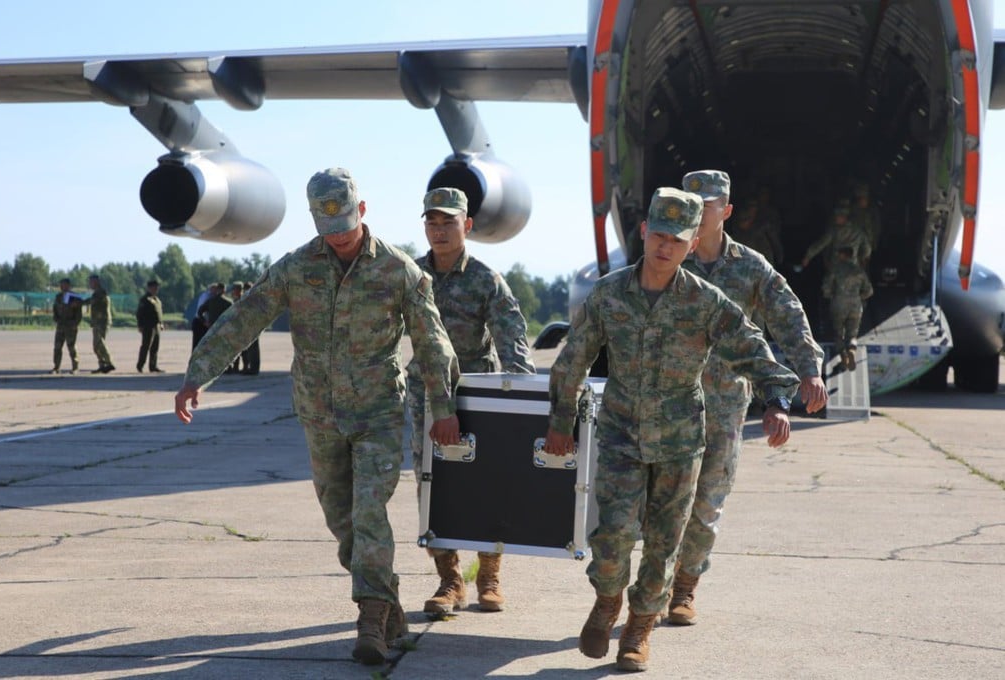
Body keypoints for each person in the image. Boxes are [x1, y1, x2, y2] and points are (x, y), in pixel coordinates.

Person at [173, 167, 461, 666]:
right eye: (329, 231)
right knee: (342, 521)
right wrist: (198, 374)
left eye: (346, 227)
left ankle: (370, 616)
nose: (340, 239)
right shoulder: (295, 267)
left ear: (362, 211)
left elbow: (433, 343)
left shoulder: (398, 271)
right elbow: (245, 318)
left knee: (370, 512)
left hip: (378, 415)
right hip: (320, 415)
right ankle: (386, 596)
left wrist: (443, 409)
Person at [543, 187, 800, 673]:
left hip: (682, 442)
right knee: (613, 535)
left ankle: (639, 629)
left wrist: (776, 399)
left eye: (678, 240)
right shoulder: (609, 294)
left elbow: (750, 345)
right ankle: (607, 600)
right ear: (644, 232)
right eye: (659, 235)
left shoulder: (706, 301)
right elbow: (572, 359)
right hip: (620, 433)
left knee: (664, 542)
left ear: (692, 241)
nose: (666, 247)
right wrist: (561, 422)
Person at [672, 169, 828, 626]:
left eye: (711, 204)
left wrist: (808, 370)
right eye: (693, 203)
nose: (702, 212)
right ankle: (655, 584)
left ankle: (684, 588)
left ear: (728, 210)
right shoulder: (666, 258)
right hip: (667, 400)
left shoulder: (750, 267)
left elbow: (787, 314)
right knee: (661, 502)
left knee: (706, 502)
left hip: (724, 403)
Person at [406, 187, 536, 616]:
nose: (439, 231)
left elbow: (512, 336)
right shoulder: (409, 275)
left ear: (468, 225)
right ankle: (449, 581)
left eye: (448, 222)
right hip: (425, 393)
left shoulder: (485, 279)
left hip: (477, 395)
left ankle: (490, 574)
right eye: (432, 222)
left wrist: (522, 399)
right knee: (432, 486)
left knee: (488, 485)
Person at [823, 246, 874, 370]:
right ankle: (852, 350)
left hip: (839, 303)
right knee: (852, 333)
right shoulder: (859, 271)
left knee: (838, 333)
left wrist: (830, 296)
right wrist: (858, 297)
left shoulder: (835, 269)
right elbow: (869, 291)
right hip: (855, 304)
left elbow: (826, 288)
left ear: (842, 255)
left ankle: (844, 358)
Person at [799, 197, 871, 272]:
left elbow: (821, 244)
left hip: (836, 267)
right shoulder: (858, 230)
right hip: (853, 266)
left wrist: (808, 256)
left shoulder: (834, 230)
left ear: (844, 217)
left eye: (838, 216)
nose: (835, 218)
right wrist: (862, 260)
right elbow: (867, 249)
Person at [85, 274, 116, 373]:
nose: (90, 284)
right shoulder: (96, 293)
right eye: (90, 282)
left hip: (102, 322)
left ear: (97, 282)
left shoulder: (101, 293)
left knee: (100, 342)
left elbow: (91, 301)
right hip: (97, 322)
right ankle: (102, 365)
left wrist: (79, 302)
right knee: (96, 345)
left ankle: (109, 363)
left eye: (91, 282)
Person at [51, 278, 83, 374]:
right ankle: (56, 367)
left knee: (71, 347)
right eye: (60, 285)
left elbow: (79, 313)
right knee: (57, 347)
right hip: (61, 325)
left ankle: (75, 367)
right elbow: (55, 309)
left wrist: (75, 324)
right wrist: (56, 319)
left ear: (69, 285)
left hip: (71, 325)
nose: (61, 287)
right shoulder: (58, 297)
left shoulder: (75, 297)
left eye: (63, 285)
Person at [135, 280, 164, 373]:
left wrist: (161, 323)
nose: (156, 289)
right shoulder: (145, 299)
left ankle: (153, 366)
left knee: (155, 347)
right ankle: (140, 365)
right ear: (149, 288)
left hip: (157, 326)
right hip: (148, 326)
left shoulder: (157, 300)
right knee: (146, 346)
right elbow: (139, 313)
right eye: (154, 287)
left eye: (157, 288)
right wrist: (140, 325)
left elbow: (159, 313)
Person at [239, 281, 261, 375]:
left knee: (253, 349)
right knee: (250, 349)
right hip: (249, 325)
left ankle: (253, 369)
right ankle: (251, 368)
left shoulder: (253, 298)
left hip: (252, 325)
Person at [191, 283, 216, 350]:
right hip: (200, 322)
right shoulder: (207, 297)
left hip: (201, 321)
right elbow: (201, 311)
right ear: (211, 289)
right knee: (197, 344)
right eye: (215, 290)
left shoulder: (206, 295)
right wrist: (205, 322)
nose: (216, 292)